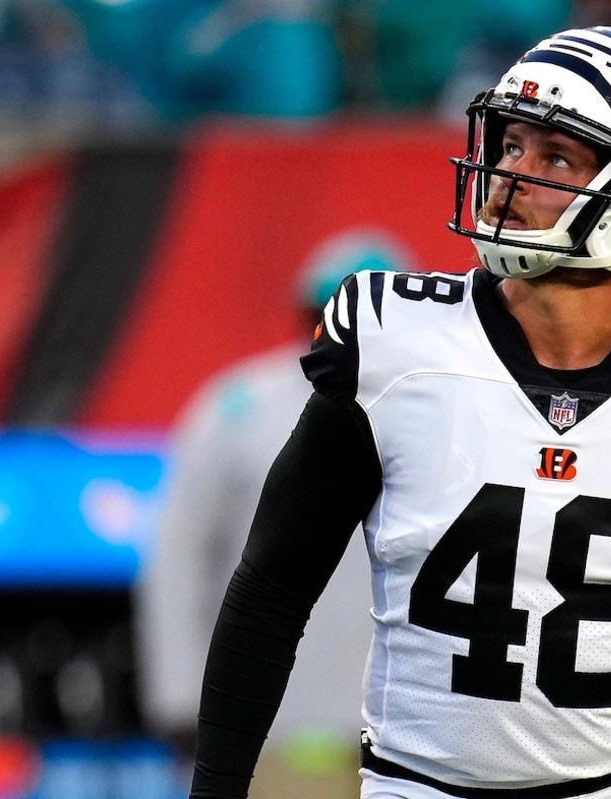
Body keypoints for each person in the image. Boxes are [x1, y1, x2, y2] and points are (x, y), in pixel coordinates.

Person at [190, 26, 611, 799]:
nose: (509, 173)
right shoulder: (395, 346)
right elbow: (272, 589)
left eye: (554, 156)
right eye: (510, 144)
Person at [135, 228, 416, 759]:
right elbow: (179, 555)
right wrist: (179, 697)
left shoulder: (441, 415)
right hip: (266, 727)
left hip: (405, 735)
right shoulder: (237, 411)